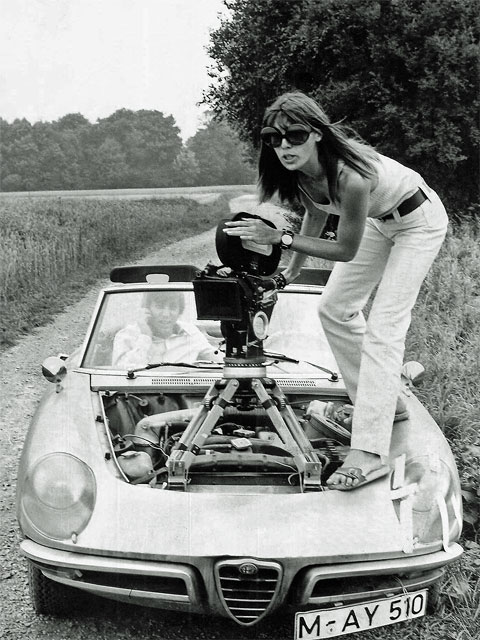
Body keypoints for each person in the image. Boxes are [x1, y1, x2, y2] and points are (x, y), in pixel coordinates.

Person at [224, 91, 448, 491]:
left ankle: (370, 451)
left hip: (417, 220)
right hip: (380, 221)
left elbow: (344, 250)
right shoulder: (299, 174)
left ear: (316, 134)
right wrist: (289, 274)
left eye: (293, 135)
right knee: (333, 308)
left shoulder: (351, 176)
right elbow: (314, 213)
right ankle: (384, 403)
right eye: (272, 138)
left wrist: (281, 239)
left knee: (384, 329)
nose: (283, 146)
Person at [112, 291, 219, 369]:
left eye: (172, 307)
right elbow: (121, 372)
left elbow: (216, 357)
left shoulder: (190, 333)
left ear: (179, 311)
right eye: (159, 306)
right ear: (147, 309)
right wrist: (145, 336)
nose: (166, 314)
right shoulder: (126, 336)